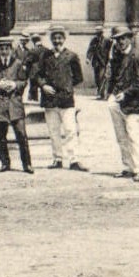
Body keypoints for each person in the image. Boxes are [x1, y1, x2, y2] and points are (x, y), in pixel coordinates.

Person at [36, 26, 86, 171]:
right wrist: (44, 85)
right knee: (53, 131)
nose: (57, 41)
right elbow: (37, 75)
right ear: (51, 39)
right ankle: (57, 158)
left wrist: (67, 86)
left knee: (70, 130)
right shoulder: (45, 56)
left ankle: (74, 160)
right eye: (54, 38)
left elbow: (78, 77)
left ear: (64, 39)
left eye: (60, 38)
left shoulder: (71, 56)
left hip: (66, 99)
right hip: (49, 99)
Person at [106, 27, 139, 181]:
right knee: (121, 136)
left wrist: (125, 93)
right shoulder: (117, 57)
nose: (120, 42)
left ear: (130, 38)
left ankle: (138, 168)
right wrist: (110, 94)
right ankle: (127, 167)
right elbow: (113, 78)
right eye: (117, 39)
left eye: (123, 38)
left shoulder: (138, 57)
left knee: (133, 136)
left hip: (132, 103)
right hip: (116, 101)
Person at [0, 36, 33, 174]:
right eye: (1, 49)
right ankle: (5, 163)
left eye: (6, 48)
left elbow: (24, 82)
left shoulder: (17, 64)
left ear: (11, 50)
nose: (4, 51)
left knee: (21, 135)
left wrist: (14, 85)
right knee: (1, 137)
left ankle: (27, 164)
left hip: (15, 105)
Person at [86, 28, 109, 98]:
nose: (98, 35)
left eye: (100, 33)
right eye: (97, 34)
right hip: (96, 62)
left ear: (102, 33)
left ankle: (101, 93)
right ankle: (100, 92)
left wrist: (108, 61)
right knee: (97, 78)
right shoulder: (94, 41)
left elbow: (109, 51)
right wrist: (88, 58)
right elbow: (90, 50)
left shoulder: (107, 41)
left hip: (103, 62)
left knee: (101, 77)